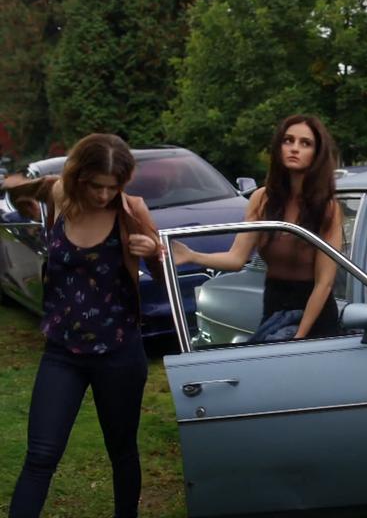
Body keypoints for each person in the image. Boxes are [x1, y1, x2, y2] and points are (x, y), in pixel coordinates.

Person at [3, 134, 162, 518]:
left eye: (113, 186)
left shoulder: (132, 209)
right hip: (62, 353)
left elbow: (161, 272)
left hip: (119, 353)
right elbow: (17, 191)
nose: (104, 195)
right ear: (79, 176)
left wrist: (153, 252)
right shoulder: (58, 196)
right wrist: (23, 199)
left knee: (122, 452)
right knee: (40, 455)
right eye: (96, 185)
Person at [172, 114, 343, 340]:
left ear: (317, 154)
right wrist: (191, 256)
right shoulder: (262, 199)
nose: (294, 148)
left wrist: (299, 337)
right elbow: (236, 258)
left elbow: (324, 283)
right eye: (288, 140)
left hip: (315, 316)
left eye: (305, 143)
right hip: (273, 308)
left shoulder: (327, 207)